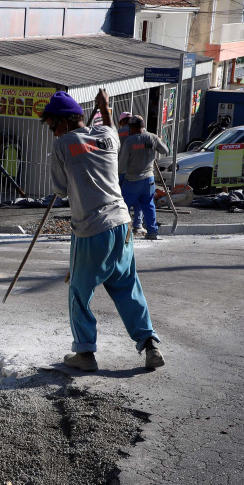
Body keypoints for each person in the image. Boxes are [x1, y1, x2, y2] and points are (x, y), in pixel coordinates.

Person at [42, 89, 164, 372]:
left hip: (91, 230)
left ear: (65, 121)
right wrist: (105, 105)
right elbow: (109, 123)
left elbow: (60, 191)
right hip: (122, 225)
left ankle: (85, 353)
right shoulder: (108, 135)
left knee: (79, 292)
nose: (53, 133)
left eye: (53, 126)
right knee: (127, 287)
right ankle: (150, 346)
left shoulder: (62, 146)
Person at [119, 115, 169, 240]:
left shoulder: (129, 141)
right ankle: (152, 232)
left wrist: (118, 176)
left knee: (123, 206)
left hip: (132, 180)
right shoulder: (152, 137)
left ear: (131, 127)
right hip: (149, 180)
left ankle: (123, 234)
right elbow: (165, 150)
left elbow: (121, 163)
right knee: (148, 205)